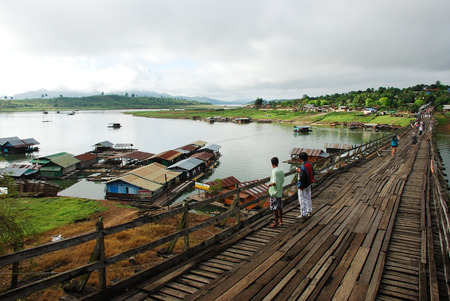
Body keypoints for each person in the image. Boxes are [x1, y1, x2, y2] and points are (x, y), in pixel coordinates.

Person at [296, 152, 315, 219]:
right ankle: (309, 210)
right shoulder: (309, 164)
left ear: (300, 159)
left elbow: (302, 176)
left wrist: (299, 171)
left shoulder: (303, 167)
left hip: (303, 185)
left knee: (302, 198)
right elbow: (313, 172)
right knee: (308, 197)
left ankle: (303, 213)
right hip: (309, 183)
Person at [267, 157, 284, 228]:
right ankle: (281, 221)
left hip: (275, 192)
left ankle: (276, 223)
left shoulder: (274, 171)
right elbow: (282, 180)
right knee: (280, 207)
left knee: (275, 208)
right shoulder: (281, 170)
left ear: (272, 163)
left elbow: (274, 182)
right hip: (280, 190)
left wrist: (269, 184)